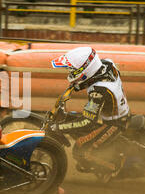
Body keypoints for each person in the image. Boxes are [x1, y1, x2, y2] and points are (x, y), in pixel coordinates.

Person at [50, 47, 130, 183]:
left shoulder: (98, 91)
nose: (70, 72)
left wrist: (58, 128)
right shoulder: (107, 64)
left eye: (72, 70)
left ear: (85, 70)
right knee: (71, 118)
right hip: (120, 112)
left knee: (80, 149)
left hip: (115, 124)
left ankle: (114, 167)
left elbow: (88, 121)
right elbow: (92, 77)